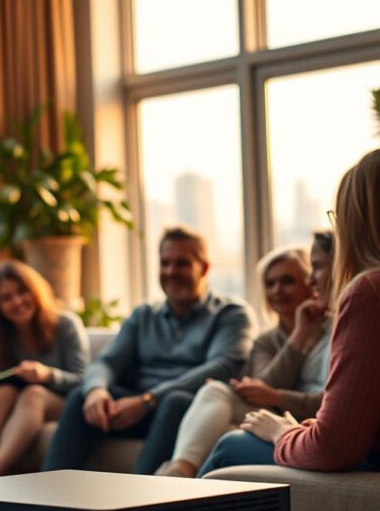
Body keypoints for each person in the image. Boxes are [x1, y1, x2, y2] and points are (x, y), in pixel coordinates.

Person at [199, 149, 380, 475]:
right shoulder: (271, 339)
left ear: (356, 224)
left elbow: (333, 447)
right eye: (270, 283)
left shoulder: (368, 292)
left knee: (229, 447)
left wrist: (280, 431)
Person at [42, 225, 257, 475]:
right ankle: (48, 506)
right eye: (165, 263)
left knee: (175, 400)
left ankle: (139, 504)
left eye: (182, 264)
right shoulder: (144, 315)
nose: (171, 272)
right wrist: (96, 390)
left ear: (205, 268)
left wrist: (148, 399)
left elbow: (222, 367)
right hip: (135, 409)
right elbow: (107, 361)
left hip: (182, 411)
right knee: (82, 395)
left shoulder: (232, 314)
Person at [156, 235, 333, 478]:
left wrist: (276, 396)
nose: (277, 291)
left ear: (309, 282)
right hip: (276, 415)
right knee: (214, 391)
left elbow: (271, 391)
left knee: (212, 421)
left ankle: (174, 482)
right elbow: (265, 385)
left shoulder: (335, 331)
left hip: (304, 422)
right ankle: (179, 472)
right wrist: (299, 336)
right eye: (270, 284)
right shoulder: (266, 340)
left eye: (288, 281)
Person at [0, 260, 90, 480]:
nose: (17, 302)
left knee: (33, 393)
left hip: (65, 403)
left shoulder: (66, 325)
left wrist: (47, 374)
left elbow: (83, 381)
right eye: (6, 298)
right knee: (4, 392)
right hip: (15, 403)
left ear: (35, 291)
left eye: (22, 292)